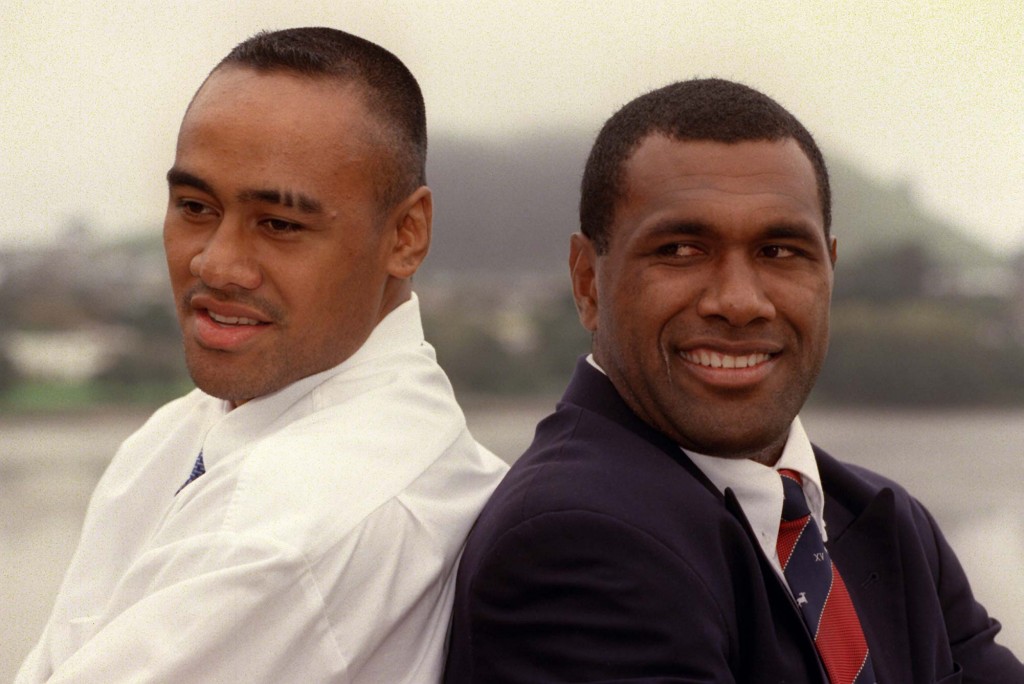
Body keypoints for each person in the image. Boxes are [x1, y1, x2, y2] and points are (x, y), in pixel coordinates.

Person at [444, 79, 1023, 683]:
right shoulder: (571, 542)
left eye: (779, 252)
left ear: (829, 272)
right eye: (681, 249)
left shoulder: (888, 524)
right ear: (588, 281)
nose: (740, 302)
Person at [18, 27, 507, 683]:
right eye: (195, 206)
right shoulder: (180, 433)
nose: (216, 264)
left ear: (406, 235)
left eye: (279, 224)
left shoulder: (297, 525)